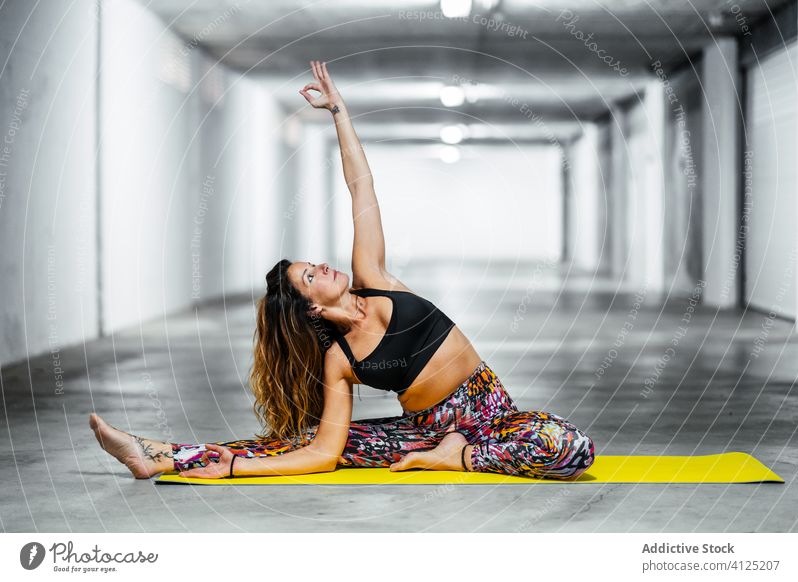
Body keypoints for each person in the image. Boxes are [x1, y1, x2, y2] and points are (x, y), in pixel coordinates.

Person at [89, 61, 595, 481]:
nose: (323, 268)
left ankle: (456, 456)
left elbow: (361, 189)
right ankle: (156, 453)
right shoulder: (340, 359)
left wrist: (339, 113)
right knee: (297, 440)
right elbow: (323, 453)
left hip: (492, 418)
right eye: (311, 277)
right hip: (422, 431)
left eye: (313, 265)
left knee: (570, 448)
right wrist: (235, 468)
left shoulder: (373, 279)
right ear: (312, 305)